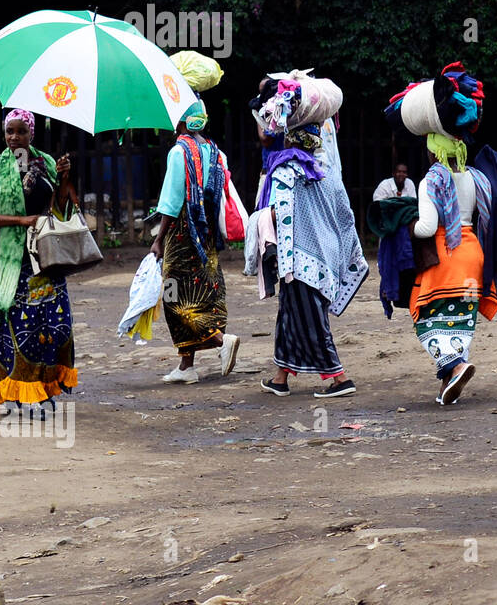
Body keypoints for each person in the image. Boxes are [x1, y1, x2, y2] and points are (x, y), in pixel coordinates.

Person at [0, 110, 77, 411]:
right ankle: (22, 392)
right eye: (9, 132)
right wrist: (20, 220)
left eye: (21, 131)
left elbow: (61, 208)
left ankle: (45, 386)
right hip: (13, 262)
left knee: (56, 325)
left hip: (46, 259)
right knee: (21, 329)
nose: (14, 137)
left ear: (32, 133)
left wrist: (65, 178)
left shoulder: (44, 163)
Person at [259, 122, 366, 398]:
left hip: (299, 259)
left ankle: (338, 377)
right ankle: (280, 378)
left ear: (290, 142)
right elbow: (346, 216)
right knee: (288, 314)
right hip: (326, 255)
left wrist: (259, 223)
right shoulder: (328, 173)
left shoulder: (285, 172)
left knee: (311, 319)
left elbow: (279, 214)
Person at [150, 101, 241, 384]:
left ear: (181, 122)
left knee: (172, 295)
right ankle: (186, 365)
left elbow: (172, 201)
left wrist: (159, 239)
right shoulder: (217, 153)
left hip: (181, 235)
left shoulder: (179, 152)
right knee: (204, 293)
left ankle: (219, 340)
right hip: (207, 236)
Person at [409, 132, 497, 405]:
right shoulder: (476, 178)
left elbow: (426, 227)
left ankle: (457, 367)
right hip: (473, 256)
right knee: (459, 323)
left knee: (424, 319)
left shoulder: (430, 181)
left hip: (445, 257)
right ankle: (448, 386)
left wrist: (405, 226)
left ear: (434, 153)